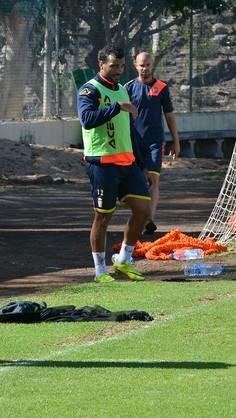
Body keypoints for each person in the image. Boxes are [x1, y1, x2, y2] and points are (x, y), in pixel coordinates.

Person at [77, 45, 151, 283]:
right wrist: (116, 107)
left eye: (121, 66)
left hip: (127, 163)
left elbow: (128, 130)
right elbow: (87, 120)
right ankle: (100, 271)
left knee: (142, 210)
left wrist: (142, 164)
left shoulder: (121, 89)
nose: (118, 70)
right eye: (113, 66)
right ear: (101, 65)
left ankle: (123, 260)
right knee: (103, 217)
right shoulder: (90, 90)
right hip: (102, 164)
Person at [125, 52, 180, 235]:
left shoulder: (161, 87)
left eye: (147, 65)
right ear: (135, 65)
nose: (144, 68)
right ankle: (141, 215)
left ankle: (150, 219)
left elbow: (169, 115)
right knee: (139, 180)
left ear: (152, 65)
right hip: (134, 143)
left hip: (155, 142)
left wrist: (176, 141)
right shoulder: (128, 88)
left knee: (153, 179)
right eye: (141, 65)